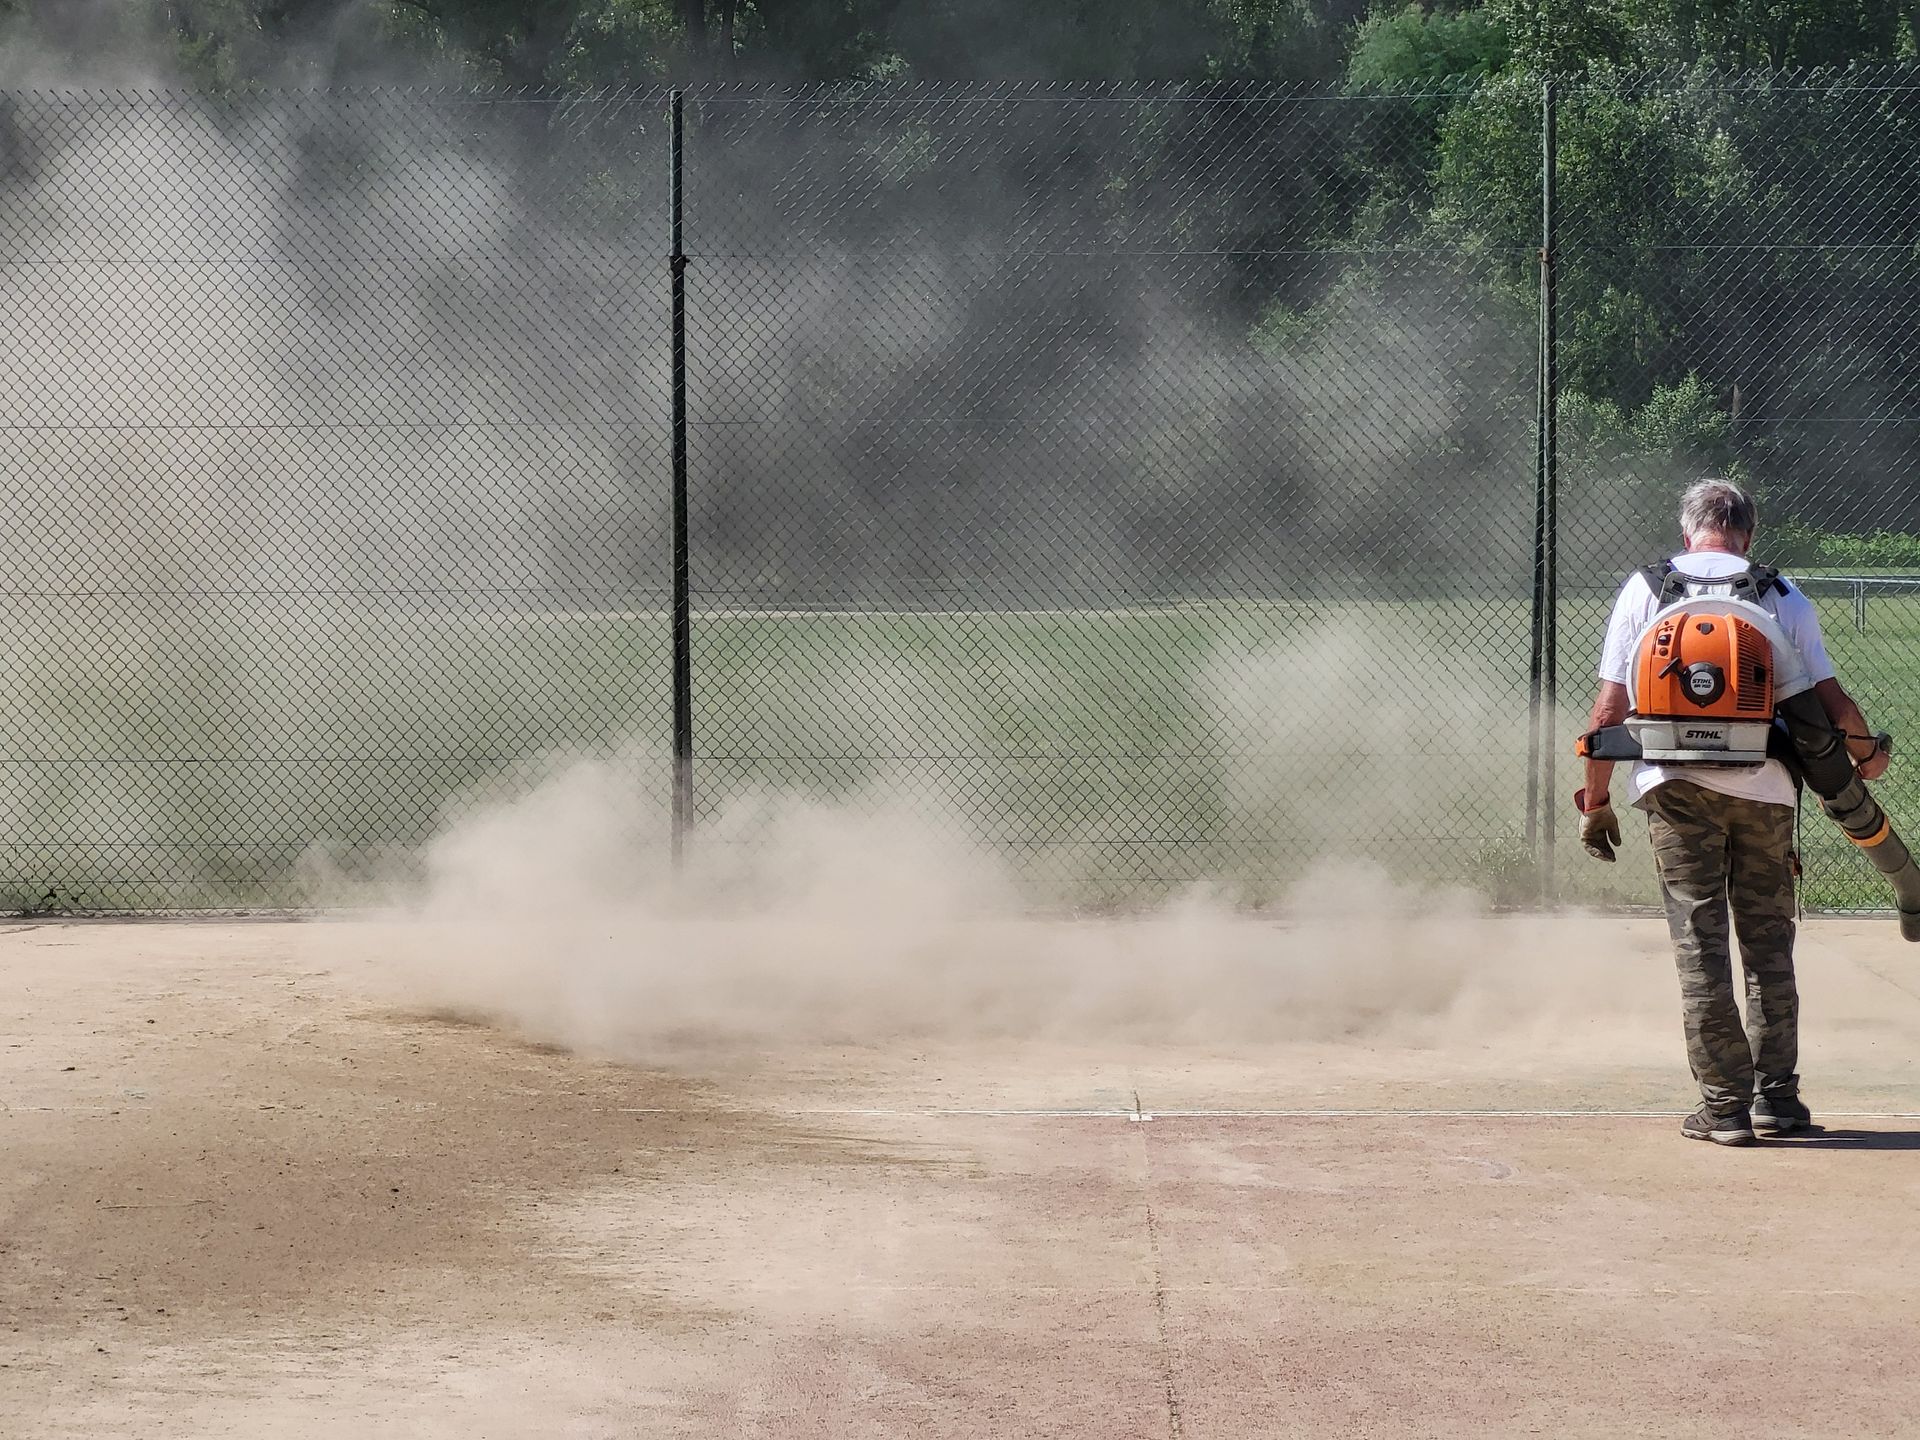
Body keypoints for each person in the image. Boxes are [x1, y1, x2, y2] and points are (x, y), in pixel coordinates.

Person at [1578, 478, 1890, 1146]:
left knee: (1700, 943)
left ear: (1688, 532)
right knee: (1768, 944)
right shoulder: (1780, 595)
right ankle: (1778, 1099)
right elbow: (1833, 705)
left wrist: (1595, 801)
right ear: (1748, 534)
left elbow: (1606, 714)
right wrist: (1868, 757)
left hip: (1672, 788)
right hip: (1766, 790)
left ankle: (1723, 1107)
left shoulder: (1646, 590)